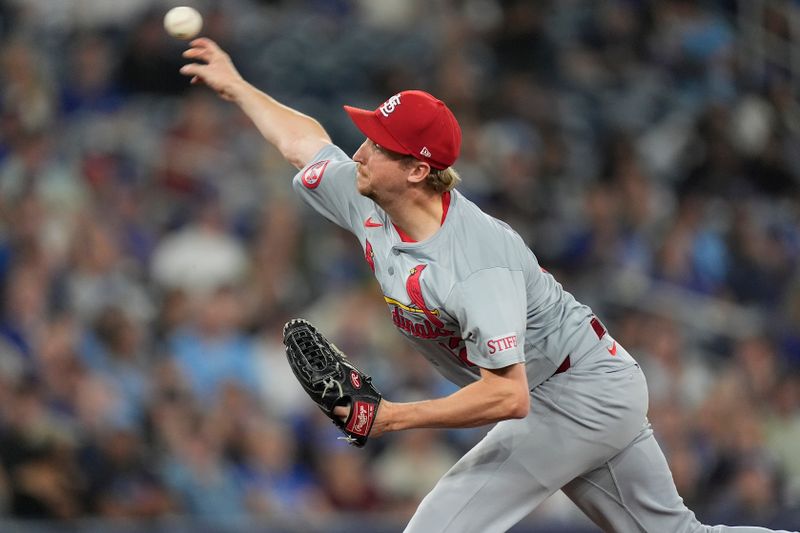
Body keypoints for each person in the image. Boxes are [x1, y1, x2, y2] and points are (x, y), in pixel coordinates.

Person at [179, 38, 797, 533]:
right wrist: (236, 87)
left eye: (379, 144)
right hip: (591, 377)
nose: (361, 151)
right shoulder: (367, 194)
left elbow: (509, 399)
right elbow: (303, 142)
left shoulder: (475, 264)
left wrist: (389, 417)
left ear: (418, 168)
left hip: (572, 393)